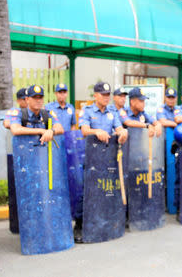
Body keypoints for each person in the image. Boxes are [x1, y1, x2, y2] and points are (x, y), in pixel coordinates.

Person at [76, 82, 128, 243]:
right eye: (103, 94)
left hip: (109, 157)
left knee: (107, 189)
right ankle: (80, 225)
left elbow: (118, 127)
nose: (106, 97)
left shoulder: (113, 111)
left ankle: (106, 223)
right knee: (86, 191)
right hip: (91, 158)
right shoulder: (87, 110)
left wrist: (123, 131)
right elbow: (84, 130)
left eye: (107, 95)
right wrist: (96, 130)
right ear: (95, 95)